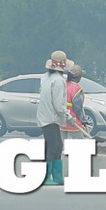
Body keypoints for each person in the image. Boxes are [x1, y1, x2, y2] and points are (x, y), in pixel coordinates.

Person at [35, 50, 71, 187]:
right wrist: (68, 115)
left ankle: (57, 176)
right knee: (52, 147)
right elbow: (58, 104)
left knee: (58, 146)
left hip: (46, 116)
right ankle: (46, 177)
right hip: (51, 117)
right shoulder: (59, 81)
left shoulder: (45, 77)